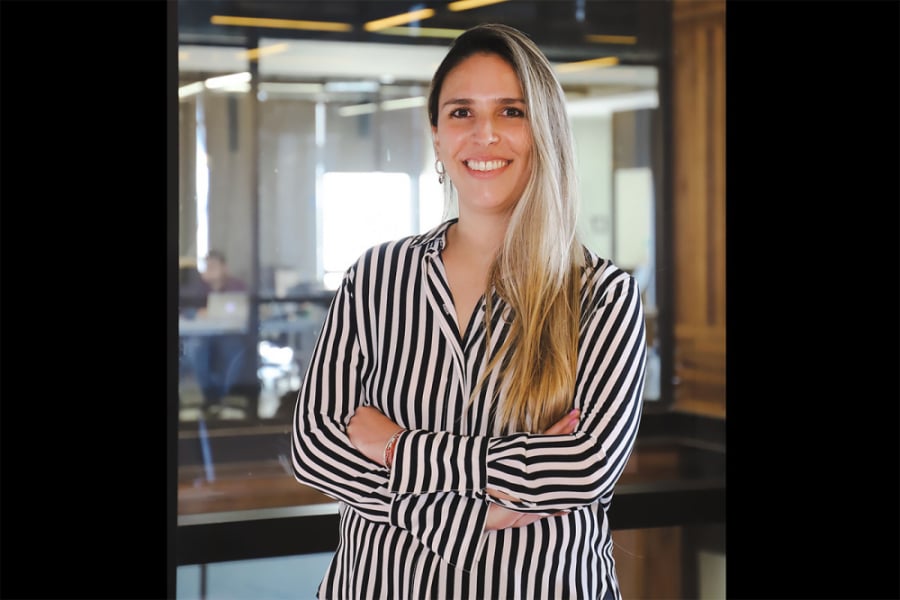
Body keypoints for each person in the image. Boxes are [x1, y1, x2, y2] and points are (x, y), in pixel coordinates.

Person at [291, 23, 646, 600]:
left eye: (511, 111)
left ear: (544, 131)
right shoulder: (377, 277)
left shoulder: (601, 295)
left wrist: (398, 448)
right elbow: (314, 449)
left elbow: (583, 467)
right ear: (435, 135)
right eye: (461, 113)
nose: (484, 134)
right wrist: (474, 515)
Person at [182, 249, 252, 413]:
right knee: (195, 349)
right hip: (203, 334)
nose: (210, 269)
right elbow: (185, 309)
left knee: (234, 352)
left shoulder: (237, 286)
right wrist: (197, 312)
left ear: (224, 267)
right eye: (208, 266)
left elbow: (246, 309)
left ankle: (220, 394)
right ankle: (210, 396)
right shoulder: (198, 287)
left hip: (229, 334)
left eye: (214, 266)